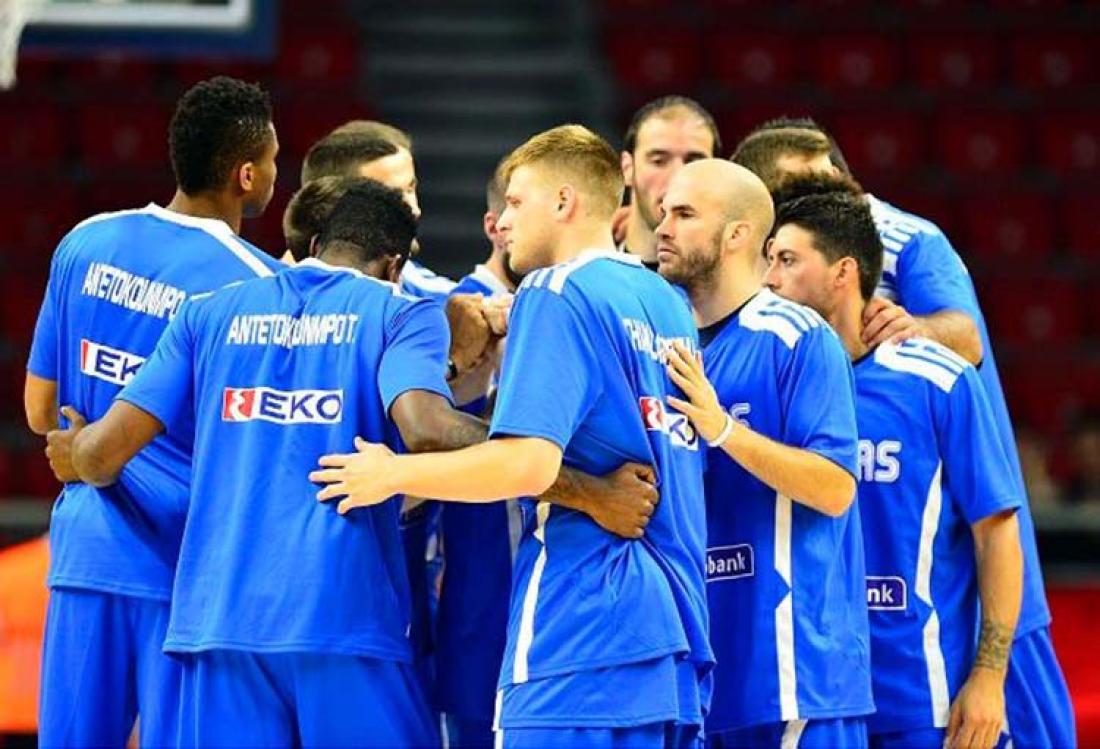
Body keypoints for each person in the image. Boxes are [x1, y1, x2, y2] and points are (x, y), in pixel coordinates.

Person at [55, 180, 658, 745]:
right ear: (394, 266)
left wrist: (76, 451)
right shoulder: (398, 311)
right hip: (343, 619)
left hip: (217, 625)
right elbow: (428, 430)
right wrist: (589, 489)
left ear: (315, 242)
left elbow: (103, 456)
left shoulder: (208, 313)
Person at [311, 125, 713, 749]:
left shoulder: (554, 291)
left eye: (518, 202)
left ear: (563, 201)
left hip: (579, 622)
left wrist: (392, 473)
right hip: (674, 627)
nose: (503, 221)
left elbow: (526, 463)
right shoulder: (665, 301)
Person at [731, 121, 1076, 749]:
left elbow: (965, 336)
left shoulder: (904, 242)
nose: (820, 193)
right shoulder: (768, 308)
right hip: (834, 655)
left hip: (962, 601)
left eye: (822, 179)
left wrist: (904, 327)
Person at [25, 75, 284, 746]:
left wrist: (90, 446)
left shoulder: (86, 240)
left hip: (85, 553)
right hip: (185, 566)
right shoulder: (259, 286)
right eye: (273, 161)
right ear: (246, 174)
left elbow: (38, 408)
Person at [761, 183, 1024, 749]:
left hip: (923, 694)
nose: (769, 279)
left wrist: (989, 676)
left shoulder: (936, 379)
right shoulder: (770, 382)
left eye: (787, 260)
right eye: (768, 260)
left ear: (843, 272)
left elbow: (997, 531)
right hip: (808, 691)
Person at [654, 159, 871, 748]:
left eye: (684, 214)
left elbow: (835, 487)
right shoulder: (662, 341)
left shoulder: (797, 337)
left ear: (738, 234)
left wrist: (723, 430)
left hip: (793, 671)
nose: (662, 227)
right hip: (696, 669)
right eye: (664, 212)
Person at [434, 167, 521, 748]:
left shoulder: (586, 305)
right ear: (496, 223)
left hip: (569, 606)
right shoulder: (444, 309)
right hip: (477, 593)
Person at [300, 120, 457, 301]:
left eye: (410, 189)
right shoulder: (274, 295)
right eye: (391, 197)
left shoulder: (414, 284)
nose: (415, 210)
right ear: (336, 207)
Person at [618, 96, 722, 268]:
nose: (677, 177)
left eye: (693, 162)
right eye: (659, 161)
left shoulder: (748, 278)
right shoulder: (582, 273)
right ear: (627, 168)